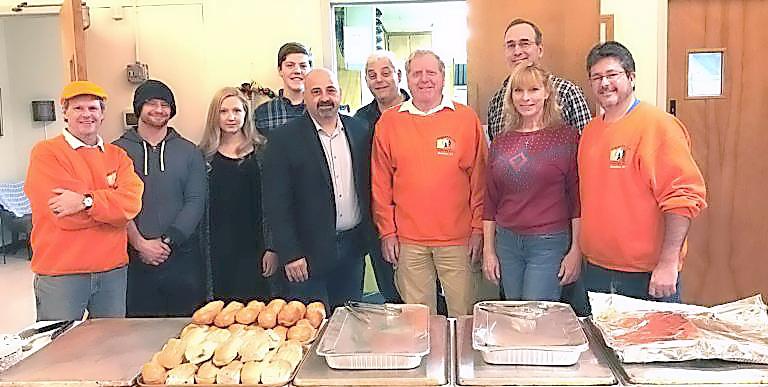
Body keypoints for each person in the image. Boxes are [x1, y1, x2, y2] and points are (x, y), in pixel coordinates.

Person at [579, 41, 707, 302]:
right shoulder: (590, 132)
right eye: (597, 77)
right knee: (602, 343)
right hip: (596, 271)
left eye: (612, 75)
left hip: (646, 276)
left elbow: (682, 199)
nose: (604, 83)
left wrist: (668, 263)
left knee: (653, 344)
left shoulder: (658, 126)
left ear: (631, 78)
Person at [371, 50, 487, 317]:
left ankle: (460, 360)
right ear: (407, 79)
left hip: (459, 241)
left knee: (464, 317)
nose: (424, 79)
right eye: (417, 73)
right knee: (418, 322)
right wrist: (387, 231)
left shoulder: (465, 118)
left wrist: (478, 228)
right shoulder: (389, 122)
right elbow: (380, 183)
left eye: (430, 73)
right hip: (408, 242)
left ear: (443, 77)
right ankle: (426, 361)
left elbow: (481, 181)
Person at [25, 81, 143, 320]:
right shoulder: (46, 153)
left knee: (110, 349)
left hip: (112, 271)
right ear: (65, 113)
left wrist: (86, 201)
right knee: (60, 350)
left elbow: (130, 205)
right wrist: (110, 209)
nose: (86, 114)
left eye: (93, 108)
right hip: (61, 273)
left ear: (102, 115)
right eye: (78, 108)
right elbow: (63, 217)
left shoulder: (117, 156)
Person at [263, 68, 371, 310]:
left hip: (352, 249)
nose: (325, 97)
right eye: (316, 92)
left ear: (340, 94)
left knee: (350, 321)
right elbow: (276, 203)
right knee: (311, 325)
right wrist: (290, 253)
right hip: (306, 255)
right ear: (306, 97)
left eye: (330, 90)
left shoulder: (360, 131)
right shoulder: (283, 139)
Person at [482, 63, 581, 301]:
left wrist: (576, 250)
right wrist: (489, 251)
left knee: (535, 320)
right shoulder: (501, 142)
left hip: (548, 243)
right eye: (518, 91)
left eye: (533, 90)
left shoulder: (566, 138)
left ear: (547, 92)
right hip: (507, 243)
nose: (525, 98)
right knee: (515, 316)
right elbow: (490, 201)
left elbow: (577, 198)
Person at [114, 79, 207, 317]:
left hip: (181, 256)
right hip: (134, 257)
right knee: (139, 330)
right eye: (151, 103)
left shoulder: (189, 151)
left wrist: (167, 241)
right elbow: (115, 203)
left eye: (164, 104)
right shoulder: (117, 151)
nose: (158, 109)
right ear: (138, 109)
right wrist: (140, 244)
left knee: (184, 327)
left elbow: (196, 199)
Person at [199, 87, 278, 302]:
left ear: (246, 114)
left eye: (237, 110)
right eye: (224, 111)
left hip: (256, 246)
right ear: (215, 116)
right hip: (217, 248)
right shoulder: (203, 156)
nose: (231, 117)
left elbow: (274, 203)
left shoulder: (263, 151)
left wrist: (272, 247)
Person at [353, 50, 409, 304]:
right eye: (372, 75)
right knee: (389, 291)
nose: (379, 80)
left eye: (386, 73)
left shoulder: (419, 111)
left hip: (417, 221)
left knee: (420, 295)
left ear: (398, 75)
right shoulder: (359, 121)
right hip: (377, 220)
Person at [487, 18, 591, 140]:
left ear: (540, 50)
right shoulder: (496, 102)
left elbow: (587, 146)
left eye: (524, 44)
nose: (517, 51)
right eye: (510, 45)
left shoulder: (567, 92)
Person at [253, 42, 312, 136]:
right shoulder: (263, 113)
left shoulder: (320, 108)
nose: (297, 70)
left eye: (303, 66)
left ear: (310, 70)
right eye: (290, 65)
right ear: (280, 70)